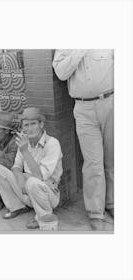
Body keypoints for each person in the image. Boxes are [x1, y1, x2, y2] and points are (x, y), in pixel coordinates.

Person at [52, 49, 114, 231]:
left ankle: (113, 203)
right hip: (83, 108)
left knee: (113, 159)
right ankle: (96, 212)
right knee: (93, 162)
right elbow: (61, 73)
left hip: (111, 102)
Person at [0, 107, 63, 230]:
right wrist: (20, 180)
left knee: (33, 182)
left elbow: (40, 177)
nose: (29, 128)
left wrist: (25, 151)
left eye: (33, 124)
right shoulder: (25, 141)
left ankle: (42, 217)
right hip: (26, 189)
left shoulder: (52, 143)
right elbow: (16, 166)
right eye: (26, 125)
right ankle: (17, 206)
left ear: (41, 124)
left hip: (48, 194)